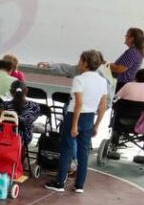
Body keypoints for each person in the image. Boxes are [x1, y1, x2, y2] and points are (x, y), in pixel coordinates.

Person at [46, 49, 110, 193]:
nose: (78, 63)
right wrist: (97, 125)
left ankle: (59, 183)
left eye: (80, 60)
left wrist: (74, 125)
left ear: (86, 63)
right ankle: (79, 185)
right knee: (83, 152)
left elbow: (79, 104)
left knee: (66, 149)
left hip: (74, 117)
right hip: (89, 118)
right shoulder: (102, 81)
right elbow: (103, 105)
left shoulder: (79, 79)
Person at [2, 80, 42, 148]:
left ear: (11, 91)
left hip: (3, 135)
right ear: (26, 91)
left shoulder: (4, 105)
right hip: (23, 138)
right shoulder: (34, 106)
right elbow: (30, 120)